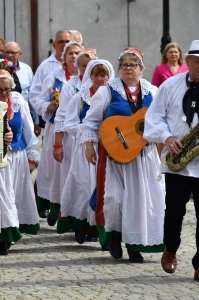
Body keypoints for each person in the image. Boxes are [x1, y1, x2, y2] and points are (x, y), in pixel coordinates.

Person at [81, 47, 165, 263]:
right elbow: (91, 121)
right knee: (116, 199)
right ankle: (115, 237)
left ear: (141, 69)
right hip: (115, 157)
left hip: (144, 156)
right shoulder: (107, 90)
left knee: (140, 201)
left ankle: (135, 245)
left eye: (133, 65)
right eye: (125, 65)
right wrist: (89, 146)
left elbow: (162, 120)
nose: (128, 68)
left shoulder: (153, 91)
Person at [144, 40, 199, 280]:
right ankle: (170, 250)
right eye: (197, 61)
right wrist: (166, 137)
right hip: (179, 160)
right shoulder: (169, 85)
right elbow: (153, 118)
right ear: (187, 62)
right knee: (175, 212)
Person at [59, 59, 114, 245]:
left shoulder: (113, 96)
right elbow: (69, 123)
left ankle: (96, 228)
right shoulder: (81, 97)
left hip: (109, 148)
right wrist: (88, 133)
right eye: (96, 75)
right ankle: (81, 224)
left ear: (109, 76)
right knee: (83, 186)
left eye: (103, 75)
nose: (99, 79)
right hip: (85, 148)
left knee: (102, 188)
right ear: (90, 76)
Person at [0, 69, 40, 253]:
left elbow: (28, 129)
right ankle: (2, 236)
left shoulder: (18, 102)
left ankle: (11, 232)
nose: (4, 93)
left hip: (17, 156)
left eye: (7, 90)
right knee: (1, 195)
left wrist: (31, 156)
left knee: (15, 195)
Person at [35, 41, 83, 226]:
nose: (73, 56)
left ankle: (73, 211)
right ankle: (56, 208)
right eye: (70, 53)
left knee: (75, 171)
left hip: (77, 133)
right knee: (56, 171)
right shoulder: (54, 77)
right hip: (57, 129)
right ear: (64, 57)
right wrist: (48, 105)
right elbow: (39, 100)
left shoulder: (85, 79)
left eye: (77, 52)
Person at [29, 30, 74, 138]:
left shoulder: (81, 68)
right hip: (54, 123)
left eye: (67, 41)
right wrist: (47, 107)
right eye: (61, 42)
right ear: (54, 45)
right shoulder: (45, 66)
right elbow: (35, 95)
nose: (64, 44)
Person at [2, 42, 38, 129]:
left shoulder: (27, 69)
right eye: (6, 52)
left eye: (13, 52)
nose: (10, 55)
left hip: (25, 116)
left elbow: (32, 95)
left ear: (19, 54)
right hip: (3, 115)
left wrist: (36, 120)